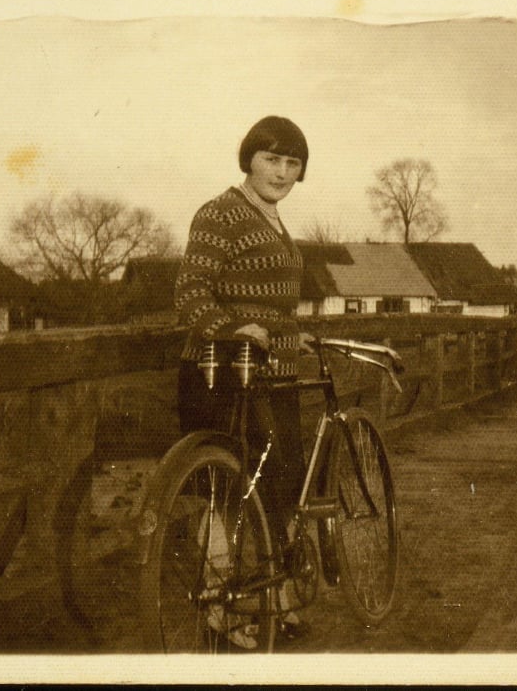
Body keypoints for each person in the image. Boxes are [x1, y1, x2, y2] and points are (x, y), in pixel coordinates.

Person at [174, 115, 312, 646]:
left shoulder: (271, 217)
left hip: (274, 375)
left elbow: (263, 297)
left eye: (292, 163)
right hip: (221, 373)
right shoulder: (220, 213)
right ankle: (219, 612)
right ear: (248, 159)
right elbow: (191, 296)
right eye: (271, 159)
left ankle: (274, 596)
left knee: (277, 487)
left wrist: (284, 334)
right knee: (226, 498)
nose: (281, 172)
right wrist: (236, 329)